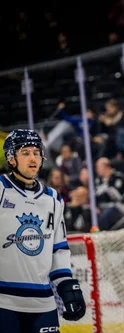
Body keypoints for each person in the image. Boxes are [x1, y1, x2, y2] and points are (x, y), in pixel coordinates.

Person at [0, 129, 86, 333]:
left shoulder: (53, 199)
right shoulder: (1, 190)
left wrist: (66, 286)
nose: (33, 158)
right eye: (25, 152)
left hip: (44, 304)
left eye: (36, 152)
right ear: (11, 158)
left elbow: (59, 249)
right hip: (4, 302)